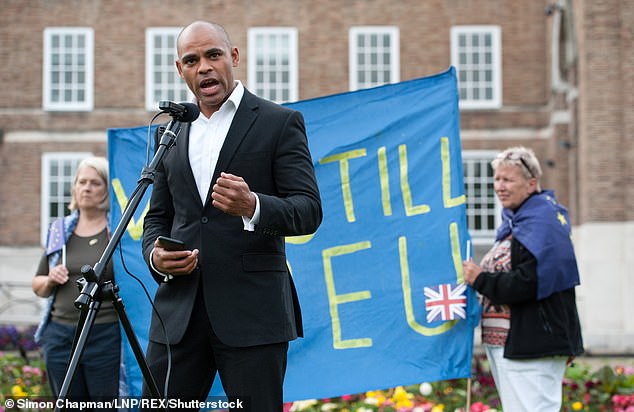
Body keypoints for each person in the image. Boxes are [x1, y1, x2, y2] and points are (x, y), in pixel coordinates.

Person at [141, 21, 322, 411]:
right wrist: (155, 256)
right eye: (192, 60)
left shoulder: (278, 122)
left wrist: (253, 205)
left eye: (213, 55)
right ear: (180, 69)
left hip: (252, 316)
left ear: (234, 57)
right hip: (178, 316)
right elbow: (157, 219)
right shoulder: (169, 134)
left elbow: (308, 210)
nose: (204, 66)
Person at [463, 146, 583, 411]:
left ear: (531, 184)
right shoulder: (515, 224)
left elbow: (530, 282)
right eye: (496, 179)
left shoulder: (544, 223)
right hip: (508, 346)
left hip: (534, 344)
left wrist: (481, 278)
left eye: (508, 179)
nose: (499, 186)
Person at [33, 156, 121, 402]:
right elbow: (38, 286)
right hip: (60, 335)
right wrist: (50, 279)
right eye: (82, 182)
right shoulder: (59, 230)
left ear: (106, 188)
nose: (87, 188)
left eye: (95, 183)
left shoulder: (118, 230)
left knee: (105, 406)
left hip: (104, 334)